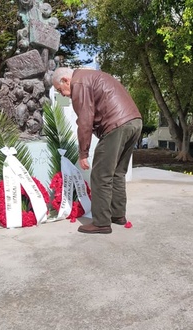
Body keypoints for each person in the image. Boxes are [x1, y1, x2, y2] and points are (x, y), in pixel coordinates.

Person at [52, 67, 142, 234]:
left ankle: (101, 222)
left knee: (101, 175)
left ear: (65, 80)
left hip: (117, 125)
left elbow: (85, 119)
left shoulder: (79, 82)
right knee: (117, 173)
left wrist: (83, 153)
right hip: (134, 121)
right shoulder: (90, 76)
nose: (63, 94)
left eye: (60, 90)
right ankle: (117, 215)